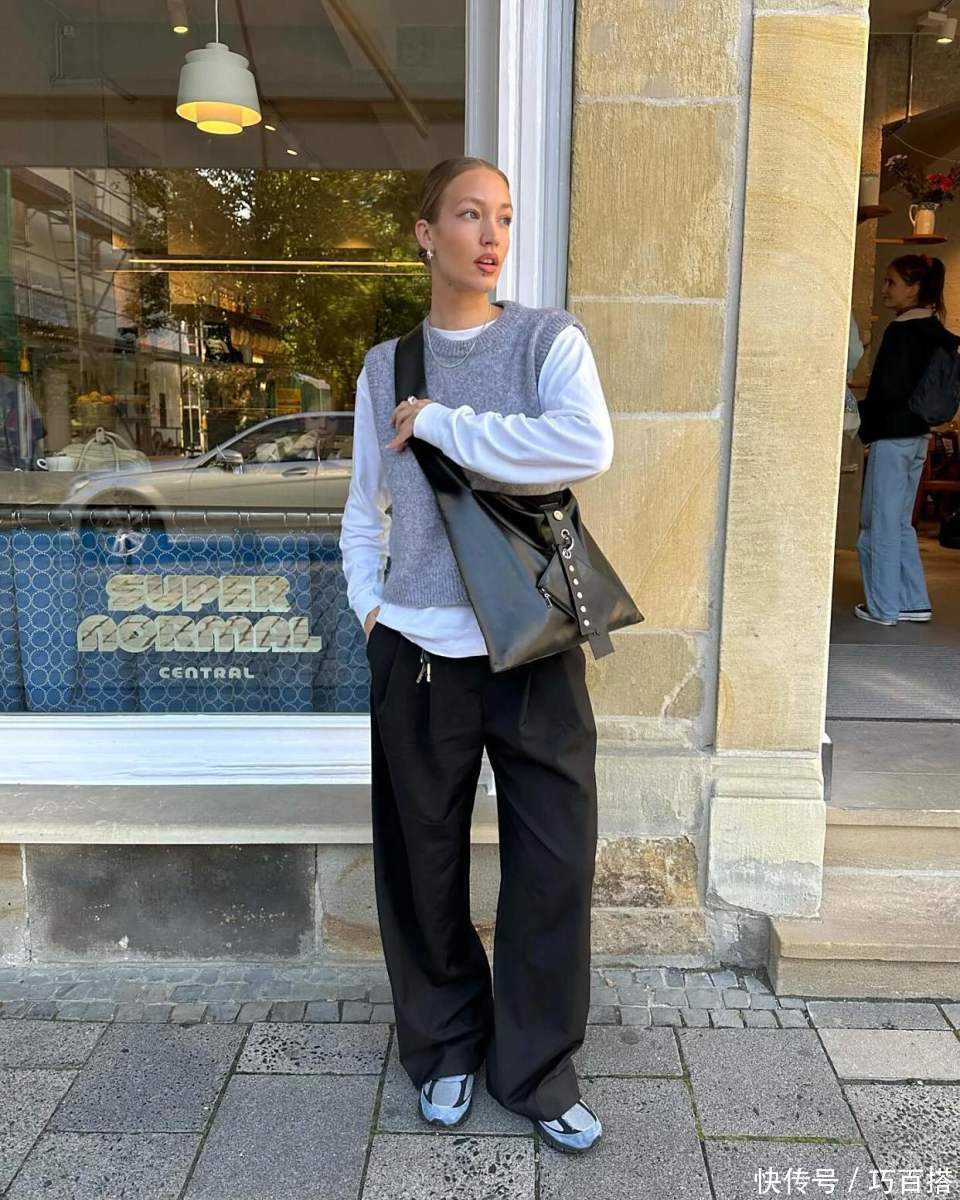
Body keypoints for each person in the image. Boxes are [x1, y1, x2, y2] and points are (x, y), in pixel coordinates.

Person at [338, 156, 614, 1155]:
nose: (491, 235)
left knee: (553, 862)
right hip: (416, 650)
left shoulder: (546, 340)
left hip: (531, 642)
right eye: (468, 215)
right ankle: (446, 1043)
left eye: (502, 216)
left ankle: (533, 1068)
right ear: (426, 234)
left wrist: (445, 422)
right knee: (423, 861)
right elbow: (363, 505)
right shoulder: (386, 367)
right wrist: (370, 607)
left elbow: (584, 445)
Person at [854, 254, 952, 625]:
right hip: (919, 436)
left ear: (914, 289)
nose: (884, 290)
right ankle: (912, 601)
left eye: (891, 282)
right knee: (898, 523)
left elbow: (888, 391)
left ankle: (883, 607)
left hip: (892, 437)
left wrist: (863, 424)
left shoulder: (902, 331)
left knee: (879, 522)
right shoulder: (935, 330)